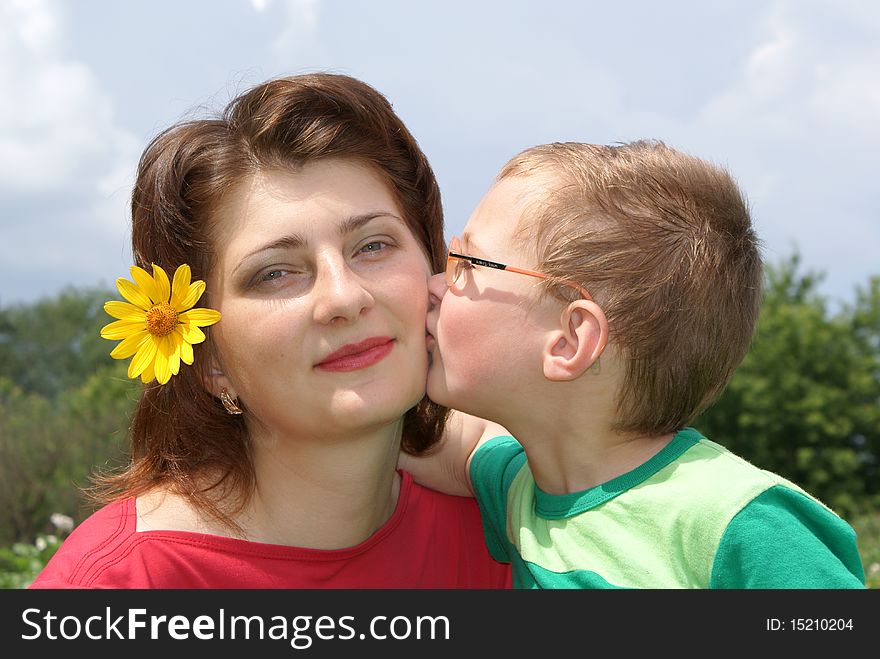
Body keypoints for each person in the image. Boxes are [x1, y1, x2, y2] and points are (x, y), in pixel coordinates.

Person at [29, 73, 510, 589]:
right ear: (209, 357)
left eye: (373, 246)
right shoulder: (122, 583)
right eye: (276, 272)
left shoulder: (511, 539)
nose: (344, 298)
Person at [400, 140, 866, 589]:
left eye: (466, 262)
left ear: (568, 340)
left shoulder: (740, 522)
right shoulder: (518, 486)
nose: (435, 284)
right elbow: (440, 438)